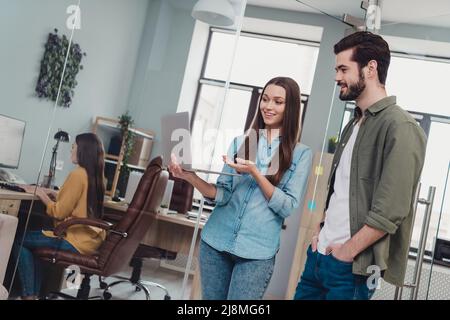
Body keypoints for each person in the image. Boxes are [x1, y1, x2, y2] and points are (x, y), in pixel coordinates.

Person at [294, 31, 427, 300]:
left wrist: (347, 252)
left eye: (343, 69)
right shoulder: (353, 124)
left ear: (371, 68)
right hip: (319, 257)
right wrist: (320, 231)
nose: (336, 77)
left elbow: (391, 210)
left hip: (351, 268)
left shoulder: (400, 127)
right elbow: (341, 193)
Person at [169, 77, 312, 300]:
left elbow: (287, 207)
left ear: (291, 107)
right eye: (265, 99)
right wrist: (190, 177)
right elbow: (222, 194)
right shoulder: (242, 142)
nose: (268, 106)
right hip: (215, 242)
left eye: (277, 101)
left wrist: (255, 173)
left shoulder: (300, 153)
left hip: (256, 253)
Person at [16, 132, 106, 300]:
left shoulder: (77, 174)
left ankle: (29, 295)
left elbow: (59, 212)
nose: (71, 150)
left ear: (82, 151)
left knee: (19, 239)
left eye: (73, 147)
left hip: (74, 239)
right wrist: (55, 194)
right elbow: (80, 203)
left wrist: (40, 194)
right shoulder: (96, 176)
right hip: (89, 240)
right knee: (33, 243)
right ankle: (35, 294)